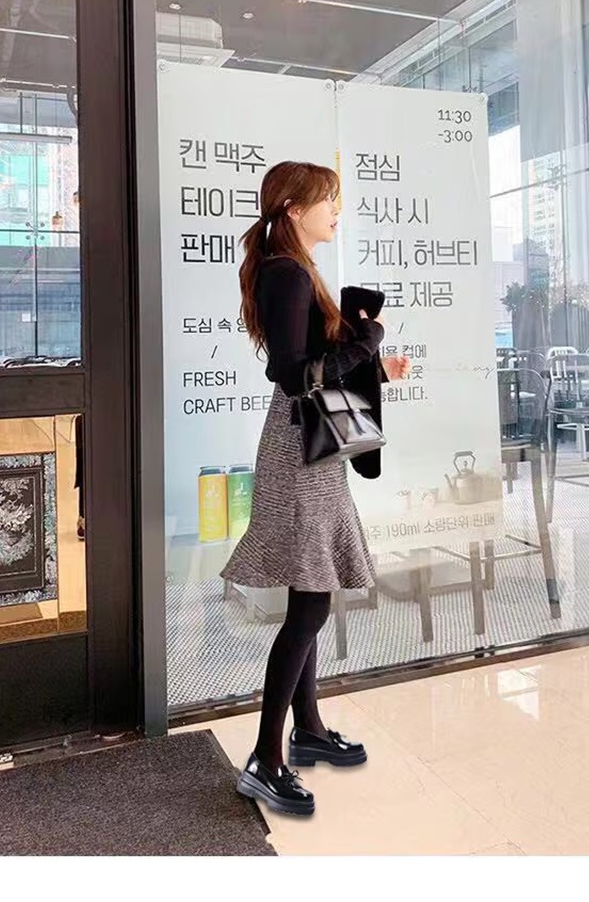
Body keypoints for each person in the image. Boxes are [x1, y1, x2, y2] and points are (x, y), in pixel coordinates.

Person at [223, 161, 410, 817]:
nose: (337, 209)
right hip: (300, 447)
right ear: (295, 209)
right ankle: (265, 759)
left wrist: (373, 362)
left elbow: (309, 363)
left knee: (312, 588)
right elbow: (291, 372)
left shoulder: (291, 269)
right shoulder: (288, 272)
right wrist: (367, 341)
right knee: (310, 604)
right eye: (329, 199)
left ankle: (306, 729)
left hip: (310, 442)